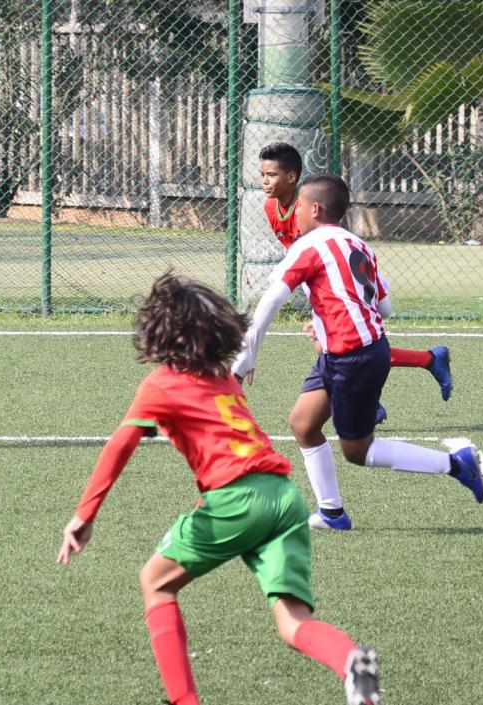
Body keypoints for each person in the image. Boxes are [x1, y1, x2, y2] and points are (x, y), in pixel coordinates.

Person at [56, 272, 381, 705]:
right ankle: (350, 661)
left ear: (161, 332)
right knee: (292, 621)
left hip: (237, 497)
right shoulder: (223, 379)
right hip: (283, 497)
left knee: (155, 582)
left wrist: (84, 515)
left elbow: (120, 445)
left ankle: (184, 701)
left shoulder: (161, 383)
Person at [234, 173, 483, 532]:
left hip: (352, 358)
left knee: (358, 451)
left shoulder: (308, 246)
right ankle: (331, 513)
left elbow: (271, 301)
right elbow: (384, 307)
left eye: (300, 207)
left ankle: (457, 465)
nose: (296, 215)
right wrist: (331, 317)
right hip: (352, 352)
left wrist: (244, 361)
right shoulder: (358, 245)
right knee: (303, 425)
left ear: (315, 209)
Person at [260, 142, 454, 415]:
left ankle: (375, 398)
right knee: (330, 345)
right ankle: (426, 362)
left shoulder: (310, 208)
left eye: (271, 175)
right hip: (312, 275)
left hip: (342, 272)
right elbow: (293, 248)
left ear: (291, 178)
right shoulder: (270, 207)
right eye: (262, 175)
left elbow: (333, 246)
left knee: (347, 341)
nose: (265, 181)